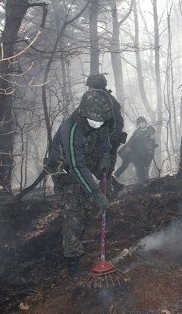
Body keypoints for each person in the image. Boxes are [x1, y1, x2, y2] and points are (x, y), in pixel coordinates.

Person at [45, 73, 125, 271]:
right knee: (74, 211)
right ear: (84, 114)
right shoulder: (70, 129)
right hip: (66, 170)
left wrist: (106, 155)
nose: (99, 124)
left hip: (85, 163)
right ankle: (72, 257)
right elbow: (76, 166)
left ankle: (79, 236)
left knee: (88, 205)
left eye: (101, 121)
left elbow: (105, 135)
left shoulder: (100, 115)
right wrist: (96, 192)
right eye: (95, 122)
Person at [114, 116, 157, 183]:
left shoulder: (148, 131)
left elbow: (149, 142)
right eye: (140, 122)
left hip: (137, 153)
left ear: (145, 123)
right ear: (138, 124)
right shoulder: (137, 131)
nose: (141, 123)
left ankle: (142, 181)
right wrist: (128, 147)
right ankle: (113, 177)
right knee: (125, 166)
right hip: (131, 152)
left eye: (143, 122)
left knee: (140, 167)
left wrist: (152, 142)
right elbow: (131, 140)